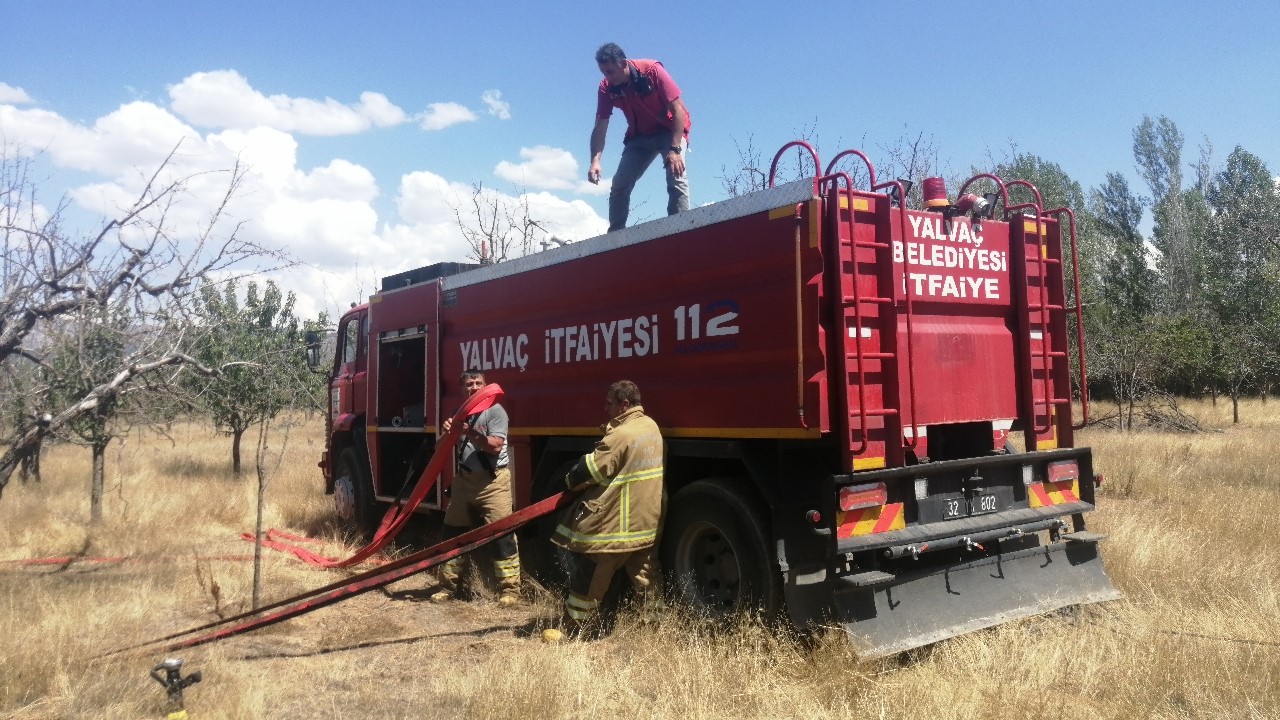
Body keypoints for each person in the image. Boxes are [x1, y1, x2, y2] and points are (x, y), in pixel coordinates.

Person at [550, 380, 666, 637]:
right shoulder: (651, 427)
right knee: (647, 578)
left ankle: (574, 628)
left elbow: (591, 470)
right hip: (646, 523)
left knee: (591, 575)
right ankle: (657, 630)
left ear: (624, 404)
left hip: (617, 526)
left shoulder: (621, 435)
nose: (606, 408)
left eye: (609, 403)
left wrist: (569, 480)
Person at [433, 370, 521, 605]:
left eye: (478, 383)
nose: (473, 387)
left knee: (502, 534)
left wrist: (469, 432)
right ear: (462, 389)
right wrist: (448, 432)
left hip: (493, 482)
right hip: (464, 482)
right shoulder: (457, 414)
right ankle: (448, 586)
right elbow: (440, 448)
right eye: (469, 384)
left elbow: (494, 446)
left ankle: (510, 591)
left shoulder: (496, 411)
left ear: (485, 386)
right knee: (452, 532)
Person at [588, 43, 692, 232]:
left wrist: (675, 149)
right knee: (619, 183)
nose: (607, 78)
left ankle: (680, 227)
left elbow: (678, 111)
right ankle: (615, 236)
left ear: (623, 64)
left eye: (610, 72)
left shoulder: (652, 71)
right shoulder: (606, 88)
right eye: (604, 73)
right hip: (639, 136)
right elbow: (601, 125)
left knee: (675, 174)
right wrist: (595, 161)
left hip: (668, 130)